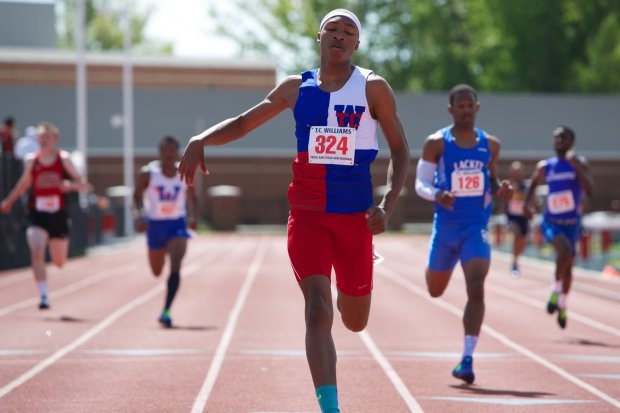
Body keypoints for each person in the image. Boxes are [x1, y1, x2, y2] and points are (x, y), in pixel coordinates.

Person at [178, 9, 409, 412]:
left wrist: (387, 204)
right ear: (319, 37)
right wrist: (202, 138)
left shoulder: (373, 88)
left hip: (354, 216)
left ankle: (355, 282)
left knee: (354, 320)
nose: (339, 36)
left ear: (357, 44)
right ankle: (330, 407)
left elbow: (401, 149)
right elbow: (244, 123)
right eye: (332, 30)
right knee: (317, 309)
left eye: (348, 32)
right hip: (307, 213)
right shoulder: (295, 89)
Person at [415, 84, 512, 384]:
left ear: (477, 108)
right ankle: (431, 270)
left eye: (471, 106)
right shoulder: (436, 143)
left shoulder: (490, 145)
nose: (466, 111)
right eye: (461, 106)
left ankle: (467, 358)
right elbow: (421, 184)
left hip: (475, 227)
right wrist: (437, 195)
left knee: (477, 286)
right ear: (451, 109)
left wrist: (501, 190)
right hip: (446, 228)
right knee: (435, 290)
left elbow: (492, 181)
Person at [0, 122, 89, 309]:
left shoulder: (63, 159)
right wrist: (9, 201)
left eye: (47, 137)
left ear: (55, 140)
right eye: (41, 137)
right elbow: (24, 184)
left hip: (58, 215)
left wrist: (69, 186)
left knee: (59, 262)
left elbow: (83, 184)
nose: (43, 140)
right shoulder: (32, 160)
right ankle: (44, 296)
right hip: (37, 213)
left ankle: (54, 246)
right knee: (37, 249)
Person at [523, 126, 593, 329]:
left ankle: (562, 303)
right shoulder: (546, 166)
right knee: (564, 251)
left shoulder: (580, 164)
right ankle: (555, 290)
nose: (559, 141)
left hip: (572, 223)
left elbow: (589, 190)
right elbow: (533, 184)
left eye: (563, 137)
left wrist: (577, 166)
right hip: (551, 221)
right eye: (556, 138)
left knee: (568, 267)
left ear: (572, 141)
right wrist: (527, 206)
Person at [133, 135, 198, 328]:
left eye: (172, 150)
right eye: (165, 150)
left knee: (176, 265)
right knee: (156, 271)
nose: (168, 154)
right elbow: (136, 198)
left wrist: (193, 217)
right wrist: (139, 216)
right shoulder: (148, 174)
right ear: (160, 152)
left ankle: (166, 311)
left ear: (178, 153)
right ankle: (166, 308)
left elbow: (194, 198)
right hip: (155, 226)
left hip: (176, 224)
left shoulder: (185, 172)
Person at [504, 161, 531, 277]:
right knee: (516, 234)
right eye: (514, 171)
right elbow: (503, 201)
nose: (516, 174)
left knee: (522, 240)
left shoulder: (526, 186)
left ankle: (515, 259)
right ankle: (514, 262)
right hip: (512, 217)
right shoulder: (508, 185)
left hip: (523, 218)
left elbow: (531, 200)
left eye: (518, 171)